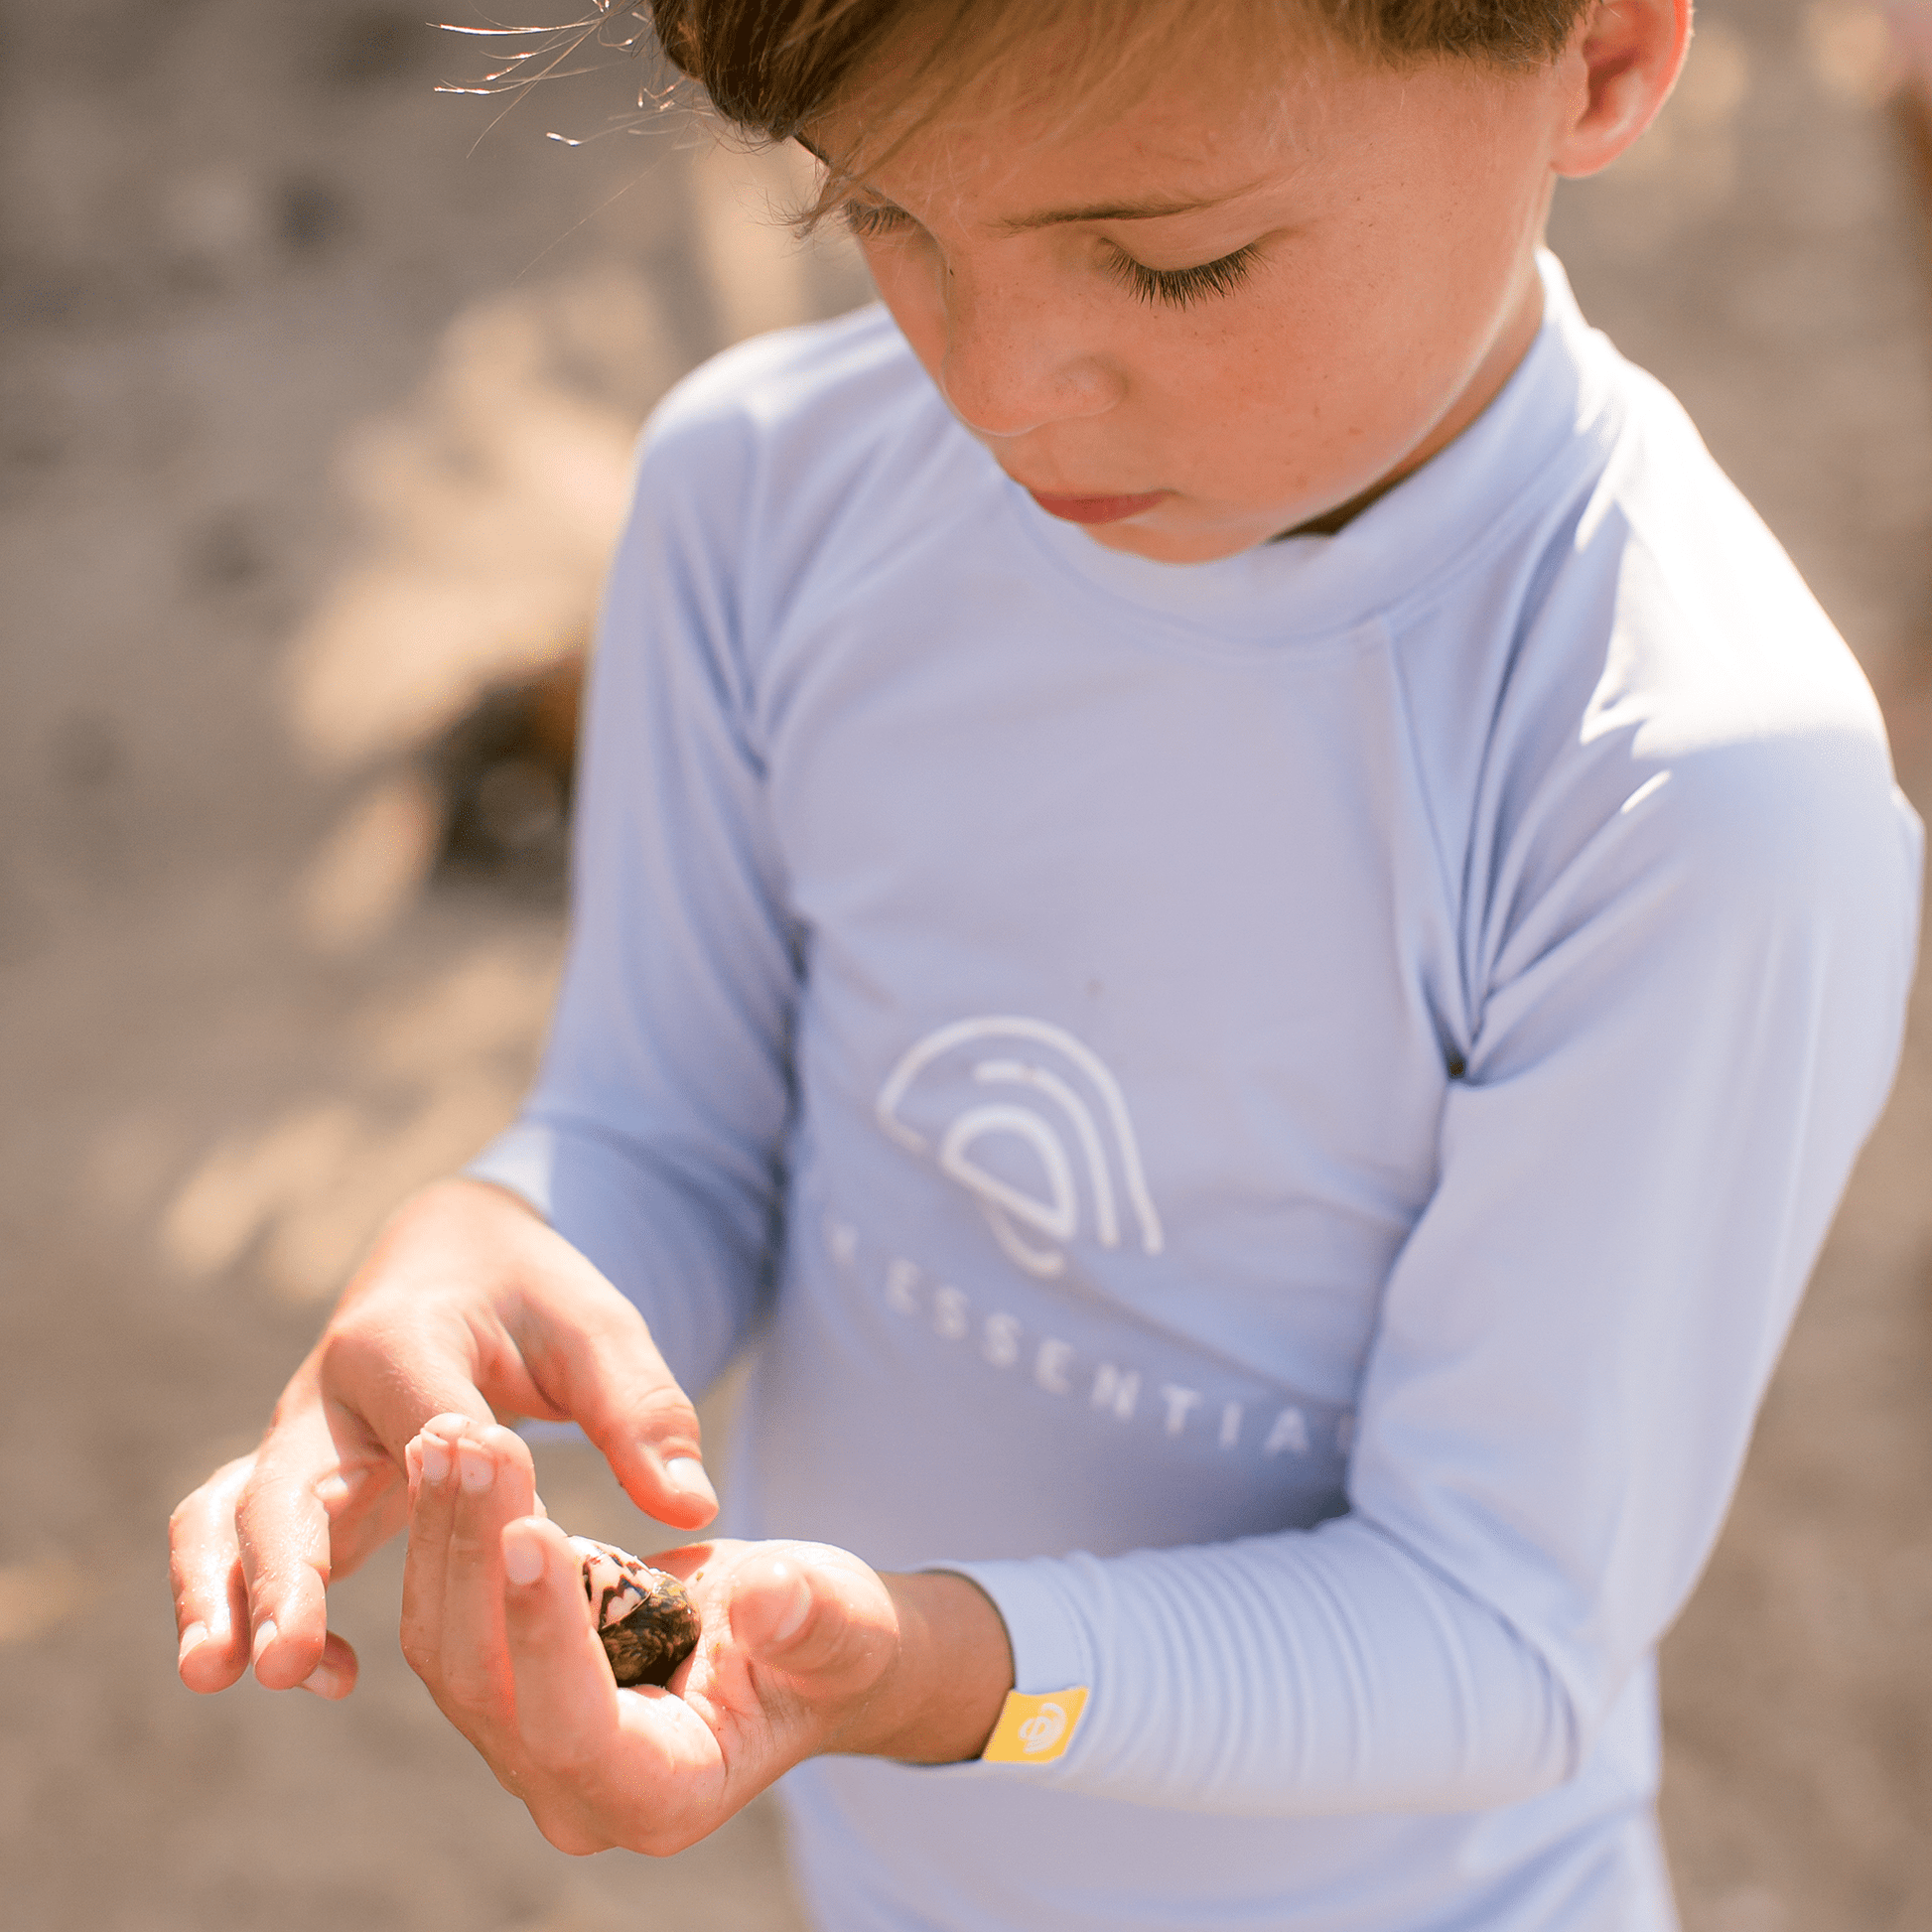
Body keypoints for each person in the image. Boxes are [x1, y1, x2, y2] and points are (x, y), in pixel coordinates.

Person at [168, 1, 1925, 1926]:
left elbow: (1493, 1624)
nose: (997, 388)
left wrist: (942, 1672)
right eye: (883, 215)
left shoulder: (1683, 787)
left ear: (1592, 57)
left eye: (1176, 261)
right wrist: (493, 1270)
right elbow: (671, 1127)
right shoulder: (765, 496)